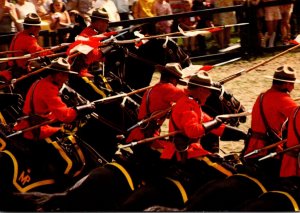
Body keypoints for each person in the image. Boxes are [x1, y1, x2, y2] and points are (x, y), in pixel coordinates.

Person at [160, 71, 246, 161]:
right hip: (183, 155)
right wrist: (216, 121)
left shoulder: (193, 104)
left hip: (190, 153)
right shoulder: (187, 105)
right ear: (201, 90)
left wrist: (242, 135)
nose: (209, 94)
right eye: (209, 91)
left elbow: (217, 128)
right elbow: (193, 131)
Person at [13, 57, 95, 141]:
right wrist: (79, 110)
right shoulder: (48, 89)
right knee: (74, 135)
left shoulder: (39, 82)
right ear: (56, 74)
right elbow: (65, 116)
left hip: (33, 123)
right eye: (64, 75)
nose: (66, 78)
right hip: (34, 130)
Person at [243, 65, 299, 177]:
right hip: (267, 150)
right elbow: (297, 116)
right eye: (292, 84)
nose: (293, 88)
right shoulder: (282, 99)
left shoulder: (262, 96)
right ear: (287, 84)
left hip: (251, 147)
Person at [126, 62, 185, 144]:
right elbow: (189, 96)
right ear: (172, 79)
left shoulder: (155, 88)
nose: (177, 83)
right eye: (177, 80)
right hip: (148, 134)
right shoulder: (168, 88)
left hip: (139, 132)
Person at [67, 7, 112, 77]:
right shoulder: (86, 35)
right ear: (99, 23)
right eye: (106, 22)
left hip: (90, 70)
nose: (107, 25)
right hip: (81, 74)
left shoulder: (94, 33)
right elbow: (93, 55)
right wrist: (106, 49)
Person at [8, 13, 52, 79]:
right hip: (21, 72)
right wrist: (54, 53)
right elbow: (39, 53)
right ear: (33, 27)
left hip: (13, 67)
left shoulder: (18, 34)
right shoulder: (28, 39)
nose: (40, 28)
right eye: (38, 26)